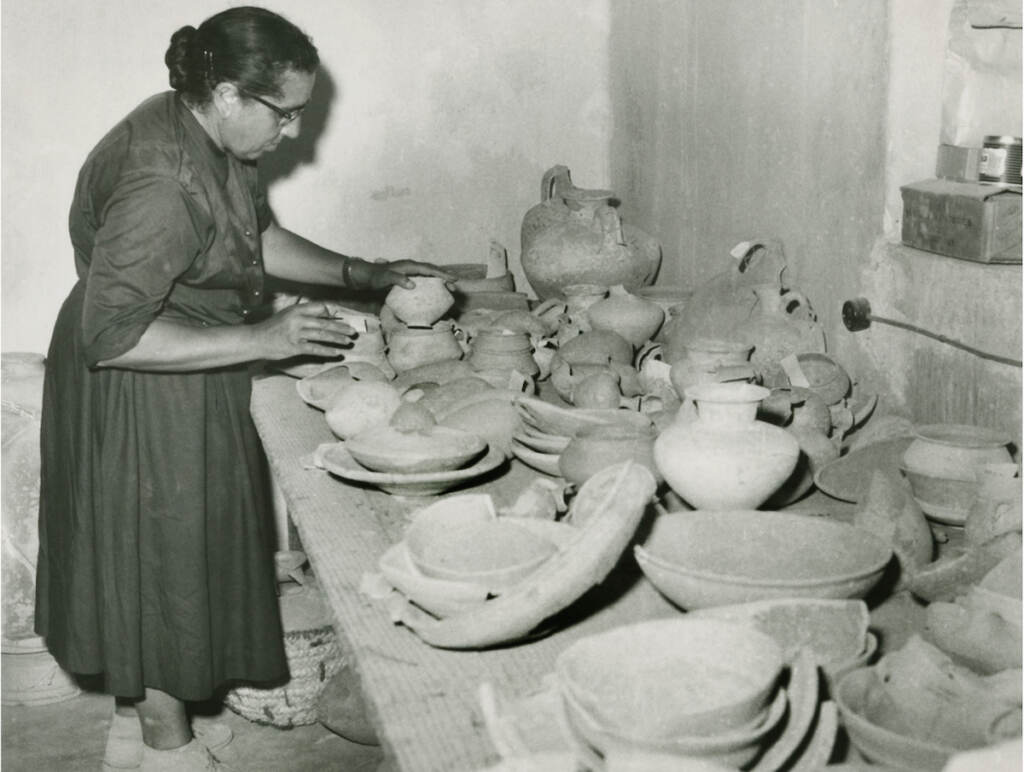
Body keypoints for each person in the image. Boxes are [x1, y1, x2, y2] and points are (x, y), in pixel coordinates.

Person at [34, 7, 449, 771]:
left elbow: (254, 235)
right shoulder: (160, 177)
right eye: (284, 114)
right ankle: (167, 750)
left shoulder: (206, 134)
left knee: (171, 557)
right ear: (227, 93)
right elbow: (113, 335)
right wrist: (266, 340)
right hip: (136, 375)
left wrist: (366, 273)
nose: (293, 132)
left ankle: (141, 728)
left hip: (181, 359)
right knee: (157, 566)